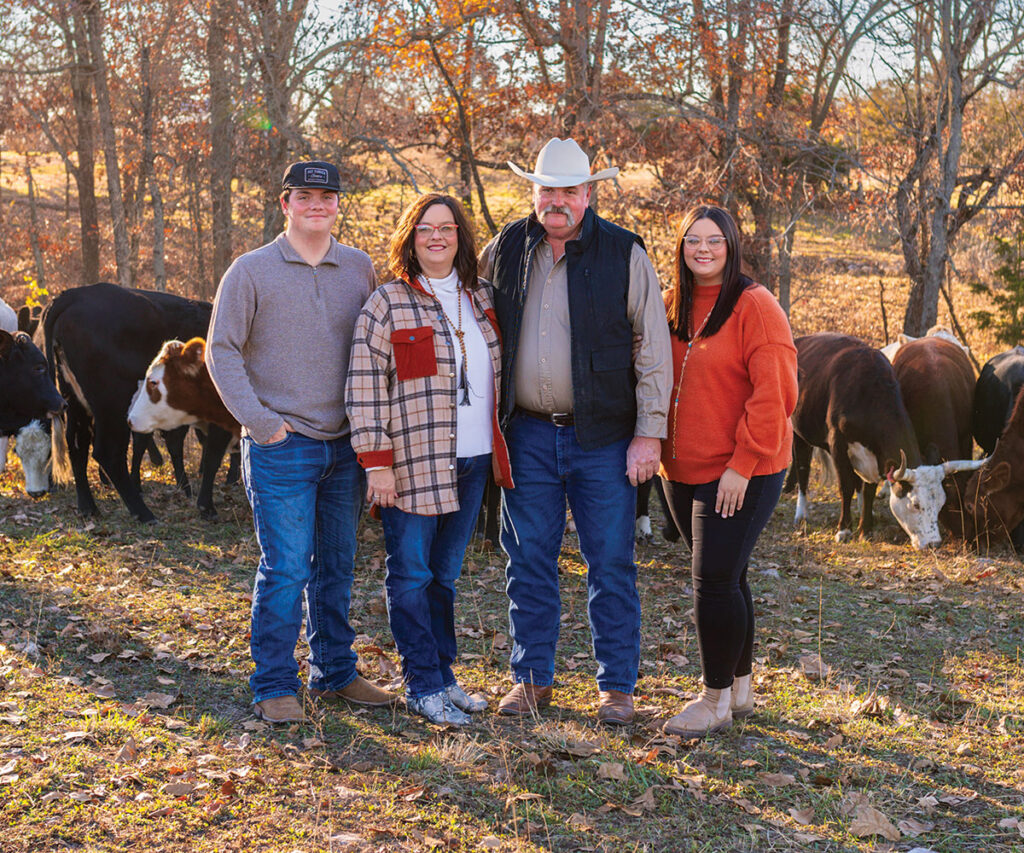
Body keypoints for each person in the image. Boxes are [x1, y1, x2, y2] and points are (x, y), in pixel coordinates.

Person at [482, 138, 672, 725]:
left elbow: (653, 346)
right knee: (528, 559)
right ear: (533, 193)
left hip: (606, 438)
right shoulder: (506, 248)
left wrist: (650, 433)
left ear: (589, 194)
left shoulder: (624, 253)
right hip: (528, 436)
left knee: (611, 561)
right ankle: (531, 679)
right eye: (547, 190)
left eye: (569, 190)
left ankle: (617, 686)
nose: (557, 201)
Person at [206, 160, 397, 723]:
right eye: (305, 195)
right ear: (284, 203)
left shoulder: (358, 268)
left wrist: (373, 436)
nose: (318, 204)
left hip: (345, 446)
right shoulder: (251, 271)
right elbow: (222, 352)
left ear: (338, 204)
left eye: (328, 196)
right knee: (287, 567)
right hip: (280, 445)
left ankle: (335, 671)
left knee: (336, 566)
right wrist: (262, 423)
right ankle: (272, 684)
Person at [347, 194, 513, 725]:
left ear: (461, 236)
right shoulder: (387, 302)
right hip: (413, 462)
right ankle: (421, 685)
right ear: (410, 238)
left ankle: (444, 676)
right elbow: (365, 387)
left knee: (445, 576)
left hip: (473, 460)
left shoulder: (483, 298)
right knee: (411, 575)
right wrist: (377, 463)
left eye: (447, 228)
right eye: (425, 229)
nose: (436, 237)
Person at [659, 205, 798, 738]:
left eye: (714, 241)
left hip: (744, 469)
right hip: (682, 469)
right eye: (693, 240)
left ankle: (713, 698)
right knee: (728, 575)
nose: (703, 250)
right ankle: (740, 690)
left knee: (712, 581)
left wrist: (742, 466)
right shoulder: (672, 304)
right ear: (681, 247)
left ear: (731, 245)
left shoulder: (755, 305)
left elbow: (776, 394)